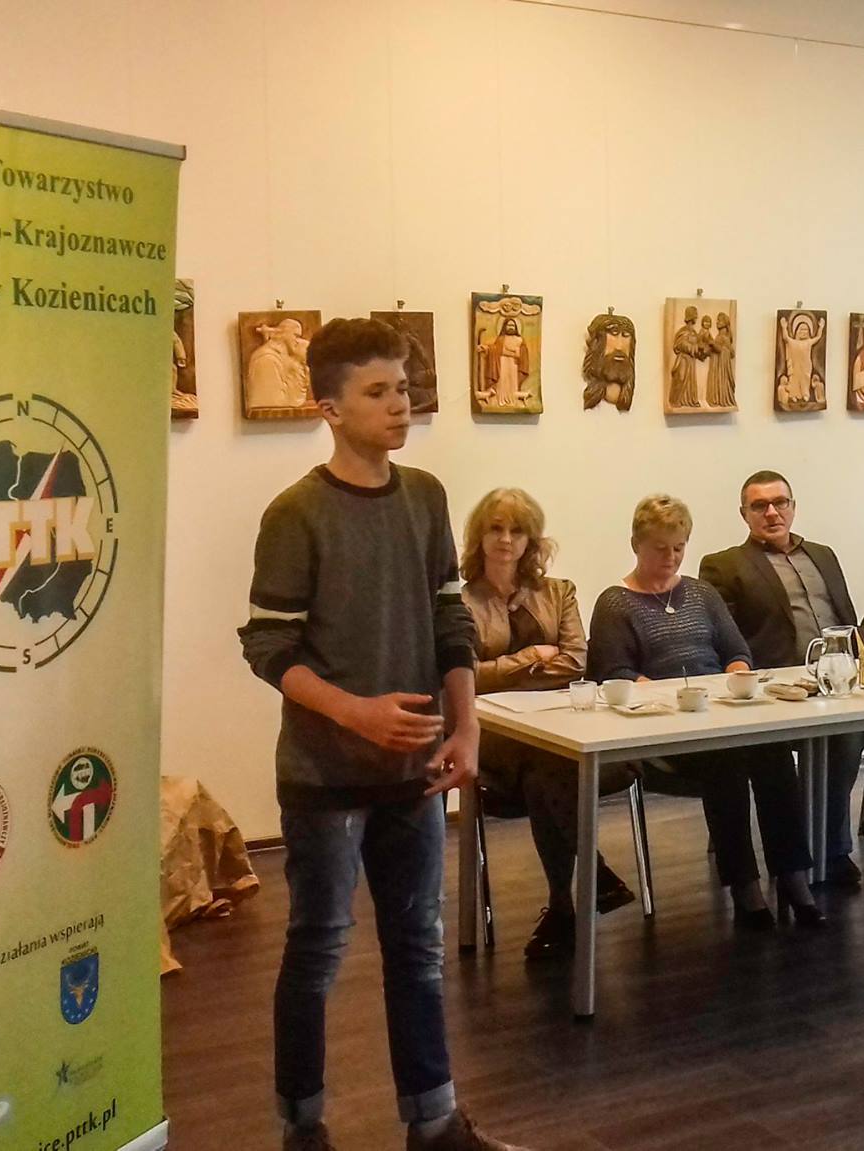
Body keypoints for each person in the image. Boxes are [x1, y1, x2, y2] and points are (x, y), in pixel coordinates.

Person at [238, 317, 517, 1151]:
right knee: (318, 947)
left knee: (418, 948)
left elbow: (450, 624)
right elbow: (268, 646)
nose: (400, 405)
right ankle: (302, 1125)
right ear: (329, 407)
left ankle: (434, 1122)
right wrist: (355, 711)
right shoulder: (296, 513)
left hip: (417, 769)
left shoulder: (426, 496)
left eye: (403, 388)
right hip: (325, 776)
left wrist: (466, 726)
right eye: (378, 392)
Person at [587, 495, 825, 928]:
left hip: (718, 712)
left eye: (679, 547)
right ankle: (745, 887)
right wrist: (663, 693)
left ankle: (793, 876)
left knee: (772, 752)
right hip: (662, 731)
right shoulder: (616, 603)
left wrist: (735, 676)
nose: (671, 557)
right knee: (725, 761)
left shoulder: (701, 593)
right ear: (636, 545)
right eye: (661, 548)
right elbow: (614, 672)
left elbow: (736, 651)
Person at [700, 472, 864, 885]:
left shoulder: (822, 554)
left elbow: (847, 619)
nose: (772, 512)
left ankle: (863, 828)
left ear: (793, 507)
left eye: (780, 502)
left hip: (843, 682)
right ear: (744, 514)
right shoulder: (724, 565)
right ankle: (830, 852)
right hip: (779, 690)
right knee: (840, 736)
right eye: (759, 505)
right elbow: (723, 639)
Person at [460, 487, 636, 962]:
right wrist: (531, 657)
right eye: (496, 528)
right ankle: (595, 877)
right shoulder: (461, 602)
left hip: (558, 725)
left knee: (546, 772)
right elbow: (465, 674)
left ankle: (563, 906)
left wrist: (505, 670)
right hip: (493, 732)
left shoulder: (558, 592)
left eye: (517, 530)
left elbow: (576, 661)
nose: (505, 539)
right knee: (547, 760)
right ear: (479, 536)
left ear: (532, 540)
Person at [668, 305, 703, 409]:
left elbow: (698, 345)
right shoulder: (683, 331)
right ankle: (675, 400)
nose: (697, 317)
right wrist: (694, 347)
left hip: (691, 360)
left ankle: (688, 400)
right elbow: (679, 344)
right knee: (681, 378)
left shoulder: (694, 332)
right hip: (683, 359)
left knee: (690, 380)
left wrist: (702, 350)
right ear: (691, 316)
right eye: (695, 315)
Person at [704, 311, 737, 408]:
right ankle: (716, 398)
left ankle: (721, 398)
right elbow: (716, 349)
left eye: (719, 320)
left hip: (722, 367)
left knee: (721, 382)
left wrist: (714, 345)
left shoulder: (725, 337)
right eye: (717, 320)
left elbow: (731, 353)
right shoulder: (718, 336)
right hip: (716, 365)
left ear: (725, 323)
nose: (717, 322)